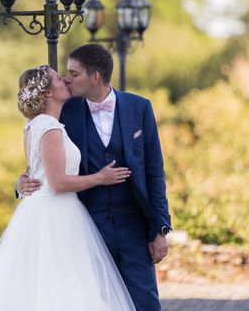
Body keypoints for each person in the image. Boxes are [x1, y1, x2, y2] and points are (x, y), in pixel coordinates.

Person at [16, 44, 171, 311]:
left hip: (134, 227)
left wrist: (160, 228)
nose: (66, 79)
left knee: (145, 303)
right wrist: (20, 184)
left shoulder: (140, 108)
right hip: (87, 229)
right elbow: (41, 159)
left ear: (95, 77)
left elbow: (154, 172)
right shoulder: (65, 110)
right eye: (65, 74)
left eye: (73, 74)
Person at [0, 65, 137, 311]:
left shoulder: (33, 125)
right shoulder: (49, 127)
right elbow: (58, 183)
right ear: (48, 93)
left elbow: (32, 173)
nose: (65, 81)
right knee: (63, 285)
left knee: (50, 286)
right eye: (58, 78)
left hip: (41, 211)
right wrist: (100, 177)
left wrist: (20, 181)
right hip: (56, 215)